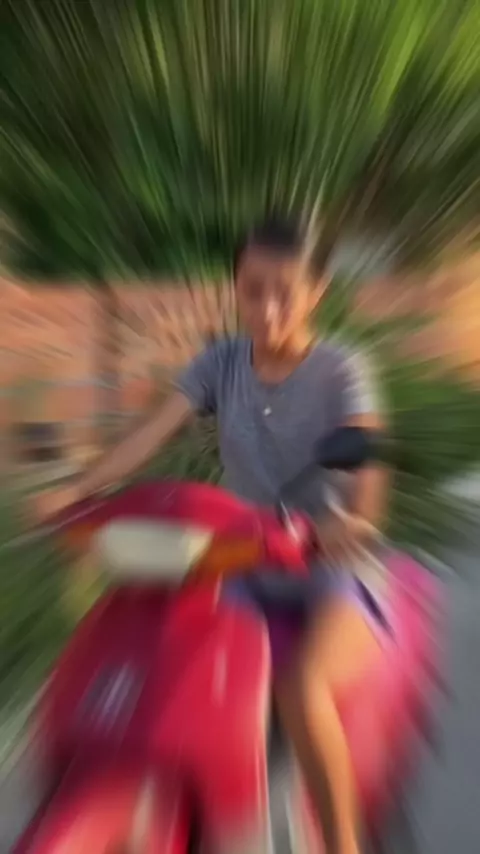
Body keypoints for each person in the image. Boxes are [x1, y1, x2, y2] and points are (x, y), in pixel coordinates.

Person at [35, 218, 388, 854]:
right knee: (162, 666)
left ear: (316, 292)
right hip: (240, 560)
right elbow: (151, 433)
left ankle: (343, 844)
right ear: (236, 288)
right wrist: (79, 490)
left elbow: (365, 458)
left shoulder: (340, 370)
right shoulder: (221, 362)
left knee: (301, 687)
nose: (267, 308)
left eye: (285, 292)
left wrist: (354, 519)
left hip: (325, 565)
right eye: (253, 290)